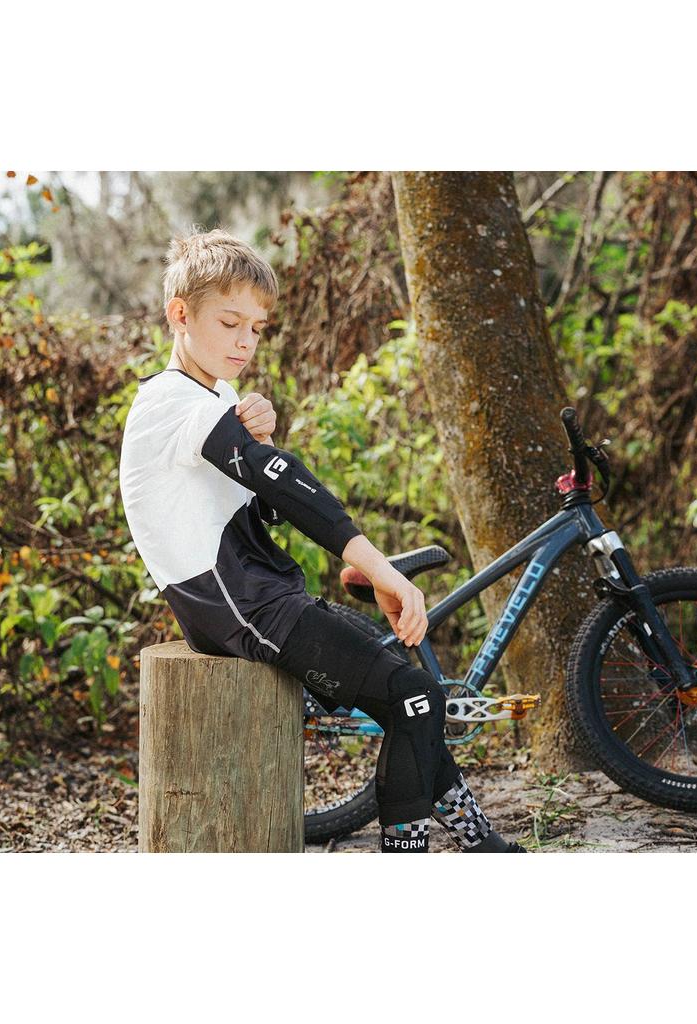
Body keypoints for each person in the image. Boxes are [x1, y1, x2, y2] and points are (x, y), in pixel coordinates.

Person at [119, 227, 524, 853]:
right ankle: (421, 850)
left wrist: (257, 438)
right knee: (414, 695)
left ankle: (478, 841)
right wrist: (379, 566)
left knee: (413, 698)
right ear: (180, 314)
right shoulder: (168, 401)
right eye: (230, 323)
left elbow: (257, 502)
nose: (245, 342)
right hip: (243, 609)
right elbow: (287, 490)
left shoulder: (213, 396)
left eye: (256, 328)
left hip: (263, 596)